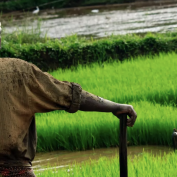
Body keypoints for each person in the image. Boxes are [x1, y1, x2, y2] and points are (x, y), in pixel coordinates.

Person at [0, 57, 137, 177]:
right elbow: (68, 96)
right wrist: (115, 107)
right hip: (14, 171)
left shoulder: (16, 71)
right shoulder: (16, 72)